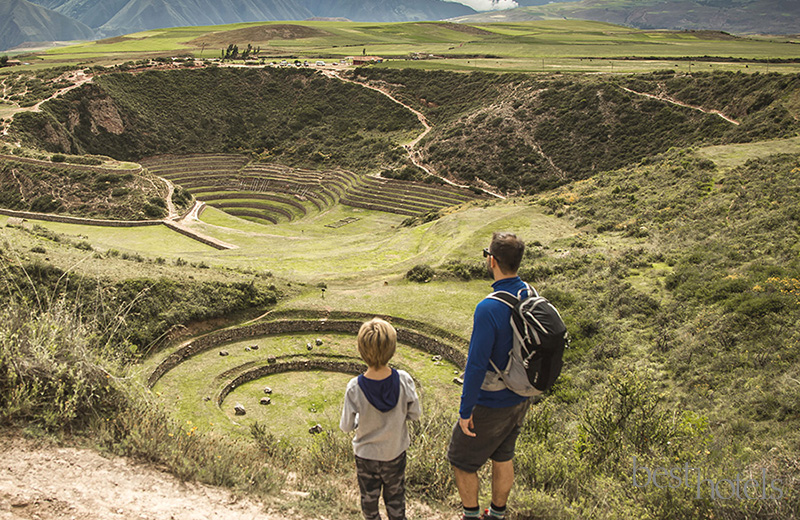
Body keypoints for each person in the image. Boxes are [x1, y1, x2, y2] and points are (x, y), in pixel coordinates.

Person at [448, 232, 533, 520]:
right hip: (521, 395)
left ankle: (471, 516)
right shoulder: (530, 294)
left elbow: (475, 365)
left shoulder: (489, 307)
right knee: (503, 455)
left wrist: (466, 410)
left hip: (493, 400)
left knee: (461, 459)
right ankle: (497, 514)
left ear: (492, 260)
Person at [341, 318, 422, 520]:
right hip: (395, 452)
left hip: (366, 455)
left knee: (369, 504)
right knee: (396, 501)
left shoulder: (354, 387)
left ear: (361, 350)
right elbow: (415, 414)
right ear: (392, 349)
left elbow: (346, 426)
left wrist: (361, 420)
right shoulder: (404, 379)